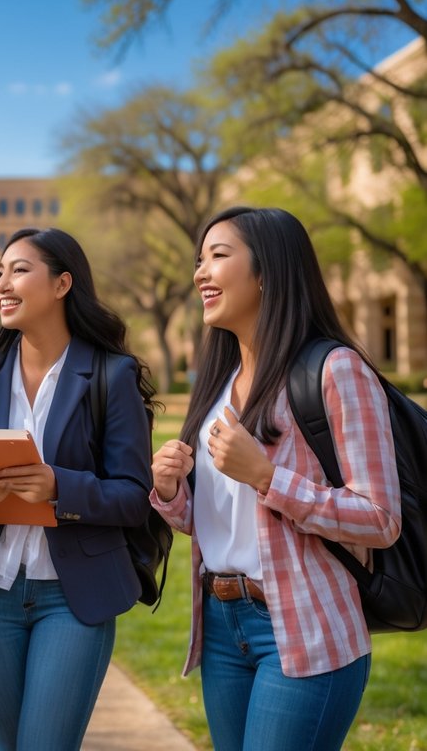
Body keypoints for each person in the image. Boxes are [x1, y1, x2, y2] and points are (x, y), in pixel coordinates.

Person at [151, 206, 400, 750]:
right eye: (199, 259)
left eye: (218, 256)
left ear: (267, 272)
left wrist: (268, 477)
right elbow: (224, 524)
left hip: (306, 629)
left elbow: (380, 519)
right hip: (221, 628)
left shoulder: (336, 371)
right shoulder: (220, 381)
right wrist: (170, 493)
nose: (200, 273)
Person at [0, 227, 156, 750]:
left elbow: (134, 496)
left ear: (62, 284)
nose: (3, 283)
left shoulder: (111, 375)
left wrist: (58, 486)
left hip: (72, 596)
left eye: (19, 269)